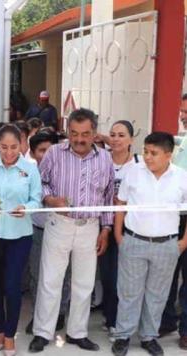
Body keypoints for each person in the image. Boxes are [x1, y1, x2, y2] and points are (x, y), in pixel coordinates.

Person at [30, 108, 114, 353]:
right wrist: (50, 199)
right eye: (74, 133)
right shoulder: (55, 153)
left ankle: (77, 332)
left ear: (94, 133)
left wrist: (106, 229)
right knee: (50, 281)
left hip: (90, 227)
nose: (79, 139)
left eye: (85, 134)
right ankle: (43, 333)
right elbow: (39, 182)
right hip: (59, 224)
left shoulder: (104, 158)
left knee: (84, 284)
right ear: (67, 132)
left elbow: (109, 195)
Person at [111, 132, 187, 356]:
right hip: (134, 241)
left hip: (167, 245)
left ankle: (148, 336)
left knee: (158, 294)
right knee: (129, 293)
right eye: (145, 151)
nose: (148, 157)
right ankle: (123, 336)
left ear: (168, 155)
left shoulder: (182, 177)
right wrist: (119, 236)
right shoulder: (133, 172)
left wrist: (183, 242)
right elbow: (120, 203)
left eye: (154, 153)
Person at [0, 125, 42, 355]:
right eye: (4, 147)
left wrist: (26, 208)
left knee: (12, 285)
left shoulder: (29, 169)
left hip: (19, 236)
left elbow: (37, 200)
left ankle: (11, 334)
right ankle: (0, 329)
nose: (9, 152)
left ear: (22, 144)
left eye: (14, 147)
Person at [98, 120, 142, 340]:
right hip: (103, 224)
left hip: (129, 227)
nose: (116, 139)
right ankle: (109, 316)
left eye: (121, 135)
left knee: (123, 277)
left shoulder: (139, 164)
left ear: (131, 140)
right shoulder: (100, 160)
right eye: (113, 134)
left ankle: (120, 322)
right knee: (106, 275)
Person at [24, 132, 68, 335]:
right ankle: (39, 315)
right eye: (42, 150)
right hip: (37, 230)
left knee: (63, 274)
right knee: (36, 274)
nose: (47, 154)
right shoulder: (27, 172)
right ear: (32, 153)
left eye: (51, 149)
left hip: (62, 229)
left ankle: (59, 313)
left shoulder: (66, 171)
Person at [160, 97, 187, 350]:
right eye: (181, 111)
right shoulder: (182, 142)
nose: (182, 116)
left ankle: (186, 330)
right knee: (167, 273)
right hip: (172, 218)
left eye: (186, 112)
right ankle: (167, 319)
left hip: (185, 219)